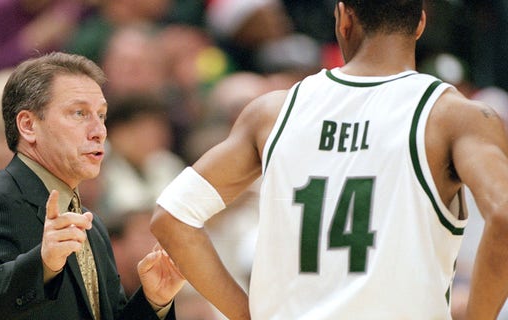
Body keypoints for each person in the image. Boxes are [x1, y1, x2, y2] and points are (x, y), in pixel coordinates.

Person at [150, 1, 508, 319]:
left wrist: (245, 315)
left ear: (344, 19)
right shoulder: (454, 117)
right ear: (420, 24)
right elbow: (504, 215)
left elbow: (172, 216)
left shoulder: (273, 113)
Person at [0, 52, 185, 319]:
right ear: (28, 126)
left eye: (101, 115)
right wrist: (42, 265)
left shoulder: (93, 226)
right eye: (79, 113)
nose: (99, 130)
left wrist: (154, 301)